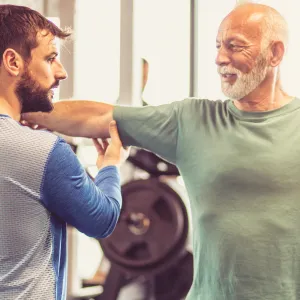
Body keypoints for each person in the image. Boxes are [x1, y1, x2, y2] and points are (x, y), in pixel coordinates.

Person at [22, 2, 300, 300]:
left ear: (275, 53)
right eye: (218, 46)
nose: (220, 58)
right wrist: (22, 111)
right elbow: (100, 117)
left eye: (235, 46)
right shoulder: (193, 121)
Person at [0, 4, 129, 300]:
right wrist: (110, 165)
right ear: (13, 62)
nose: (62, 72)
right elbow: (102, 220)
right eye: (51, 58)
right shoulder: (44, 151)